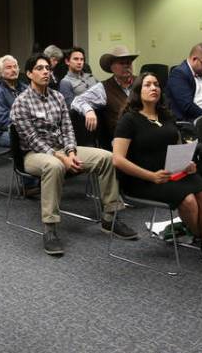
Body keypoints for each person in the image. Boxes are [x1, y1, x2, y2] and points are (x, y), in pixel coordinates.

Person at [10, 53, 137, 255]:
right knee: (54, 165)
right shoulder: (21, 102)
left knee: (106, 157)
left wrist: (69, 151)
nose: (45, 72)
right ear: (29, 74)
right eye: (40, 68)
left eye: (47, 68)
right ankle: (50, 229)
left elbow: (68, 129)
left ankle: (109, 217)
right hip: (33, 155)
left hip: (63, 150)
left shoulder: (57, 97)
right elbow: (31, 139)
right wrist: (60, 157)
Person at [112, 73, 202, 269]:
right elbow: (117, 159)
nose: (153, 88)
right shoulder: (129, 120)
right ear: (137, 91)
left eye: (156, 84)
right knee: (188, 200)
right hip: (143, 180)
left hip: (171, 173)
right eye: (147, 85)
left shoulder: (166, 115)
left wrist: (188, 162)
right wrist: (151, 175)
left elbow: (177, 145)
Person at [70, 45, 138, 141]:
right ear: (112, 67)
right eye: (122, 63)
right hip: (122, 141)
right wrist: (89, 111)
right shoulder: (103, 88)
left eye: (129, 62)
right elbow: (77, 101)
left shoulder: (141, 82)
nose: (126, 65)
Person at [0, 54, 27, 147]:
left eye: (15, 67)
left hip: (23, 128)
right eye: (9, 67)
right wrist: (25, 126)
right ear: (0, 71)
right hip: (0, 133)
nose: (14, 70)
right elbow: (1, 119)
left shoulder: (24, 87)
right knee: (29, 139)